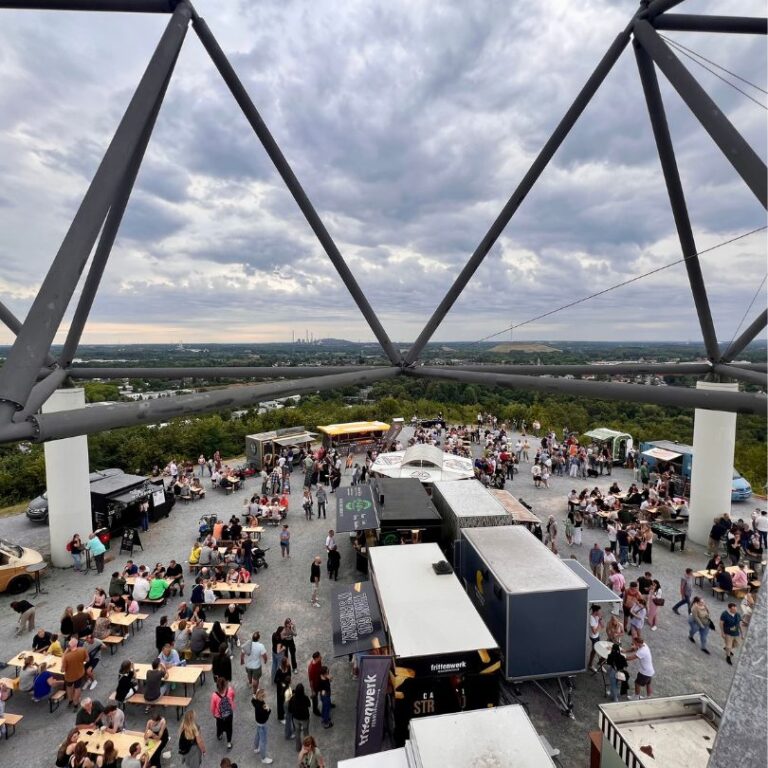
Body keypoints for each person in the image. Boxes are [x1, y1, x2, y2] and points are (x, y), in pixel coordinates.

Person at [62, 637, 89, 708]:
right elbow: (87, 659)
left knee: (69, 687)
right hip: (79, 673)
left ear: (69, 646)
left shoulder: (67, 657)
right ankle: (75, 703)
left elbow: (62, 670)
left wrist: (65, 653)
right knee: (77, 688)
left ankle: (70, 700)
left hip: (69, 676)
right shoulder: (83, 650)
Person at [625, 634, 654, 699]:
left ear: (638, 643)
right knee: (648, 683)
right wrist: (625, 651)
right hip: (650, 671)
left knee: (637, 683)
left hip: (645, 672)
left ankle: (636, 697)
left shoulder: (642, 651)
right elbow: (634, 649)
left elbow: (630, 658)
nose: (633, 643)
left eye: (634, 643)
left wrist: (621, 657)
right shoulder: (644, 645)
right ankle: (649, 696)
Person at [210, 676, 235, 750]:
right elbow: (233, 696)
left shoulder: (214, 695)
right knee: (229, 728)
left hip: (219, 715)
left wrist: (214, 714)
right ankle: (229, 743)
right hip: (229, 714)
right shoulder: (230, 690)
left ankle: (219, 735)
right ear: (225, 685)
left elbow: (212, 707)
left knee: (219, 725)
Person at [252, 686, 274, 764]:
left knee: (257, 735)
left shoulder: (255, 701)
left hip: (258, 723)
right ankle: (263, 758)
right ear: (262, 696)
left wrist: (254, 697)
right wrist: (268, 710)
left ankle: (255, 748)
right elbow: (265, 716)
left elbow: (253, 700)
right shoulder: (262, 706)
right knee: (263, 741)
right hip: (262, 724)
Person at [288, 682, 311, 752]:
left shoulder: (292, 698)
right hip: (305, 719)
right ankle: (307, 748)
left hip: (296, 718)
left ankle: (298, 748)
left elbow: (289, 709)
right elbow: (309, 705)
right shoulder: (305, 698)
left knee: (297, 733)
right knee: (306, 733)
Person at [275, 655, 292, 723]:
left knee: (286, 700)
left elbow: (289, 675)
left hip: (287, 687)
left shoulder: (288, 667)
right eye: (287, 661)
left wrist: (289, 680)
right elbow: (275, 680)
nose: (289, 662)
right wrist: (281, 683)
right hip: (280, 689)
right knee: (280, 702)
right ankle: (280, 717)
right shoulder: (279, 671)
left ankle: (284, 712)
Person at [588, 605, 603, 673]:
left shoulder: (597, 616)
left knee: (596, 650)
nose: (600, 612)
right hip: (593, 637)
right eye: (599, 611)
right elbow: (594, 632)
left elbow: (603, 625)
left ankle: (599, 663)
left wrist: (600, 619)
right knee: (594, 651)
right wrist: (599, 626)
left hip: (597, 636)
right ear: (595, 611)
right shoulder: (591, 619)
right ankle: (590, 665)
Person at [307, 652, 323, 716]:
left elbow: (320, 669)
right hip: (315, 685)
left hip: (320, 681)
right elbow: (311, 681)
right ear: (316, 658)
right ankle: (315, 710)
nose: (321, 657)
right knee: (315, 698)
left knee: (324, 693)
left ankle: (327, 703)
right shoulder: (311, 668)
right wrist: (313, 691)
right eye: (319, 657)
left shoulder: (319, 662)